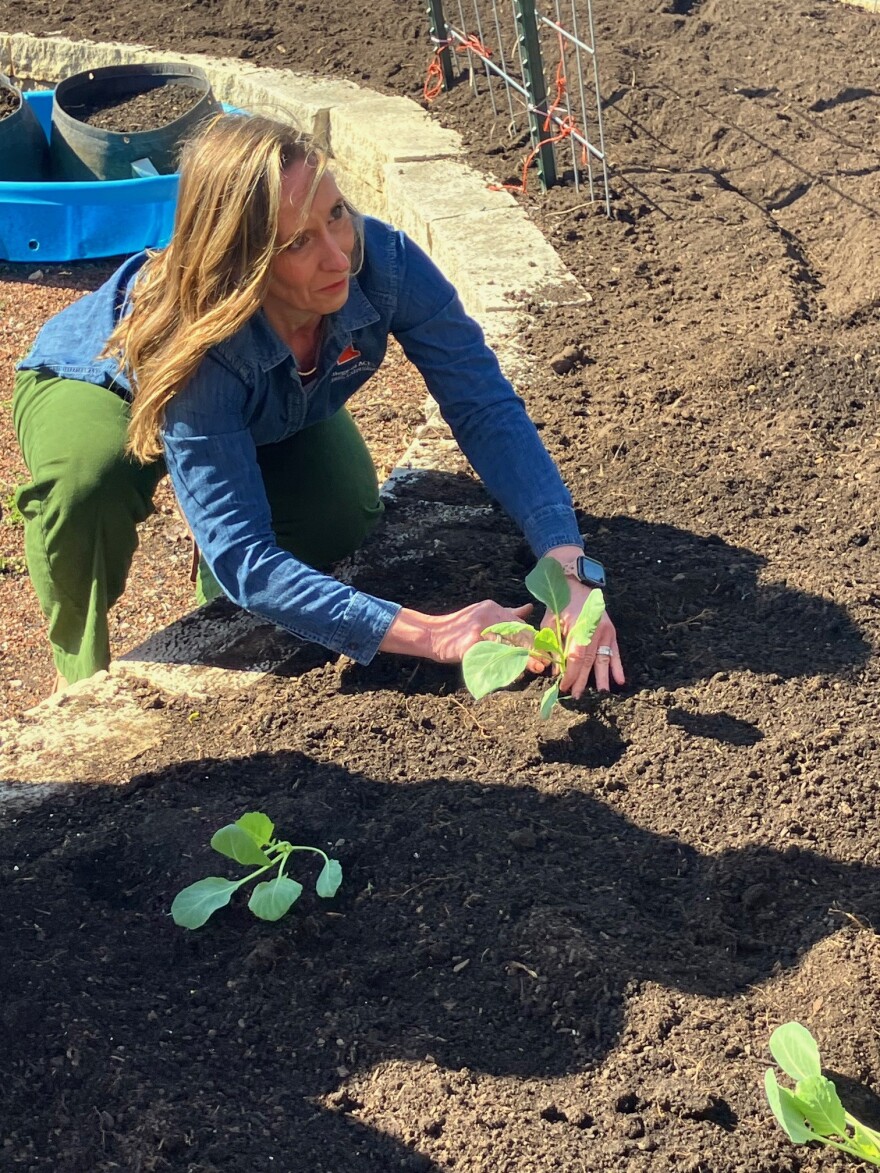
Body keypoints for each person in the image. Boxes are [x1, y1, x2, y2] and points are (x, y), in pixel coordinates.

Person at [13, 112, 625, 701]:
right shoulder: (204, 353)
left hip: (270, 399)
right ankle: (79, 667)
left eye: (337, 214)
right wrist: (435, 634)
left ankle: (216, 611)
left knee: (336, 520)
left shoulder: (384, 264)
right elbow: (245, 556)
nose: (338, 256)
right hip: (105, 376)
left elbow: (485, 407)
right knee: (89, 482)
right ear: (244, 259)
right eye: (299, 241)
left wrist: (568, 566)